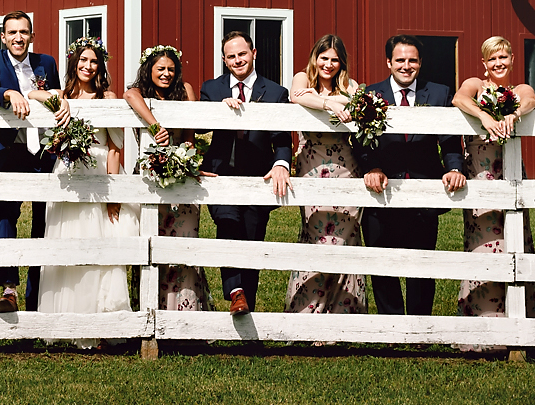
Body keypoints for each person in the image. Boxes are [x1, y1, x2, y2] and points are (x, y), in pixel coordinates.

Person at [37, 38, 136, 340]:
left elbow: (116, 147)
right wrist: (59, 101)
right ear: (73, 62)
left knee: (96, 244)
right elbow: (32, 93)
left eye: (93, 61)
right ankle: (62, 325)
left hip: (98, 173)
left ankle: (97, 325)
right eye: (83, 60)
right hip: (67, 173)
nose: (87, 66)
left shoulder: (108, 97)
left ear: (100, 66)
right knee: (66, 239)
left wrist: (114, 195)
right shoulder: (62, 94)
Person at [360, 34, 464, 317]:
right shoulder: (371, 94)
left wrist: (454, 168)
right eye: (400, 60)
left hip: (423, 192)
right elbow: (362, 143)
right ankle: (391, 326)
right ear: (389, 62)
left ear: (421, 63)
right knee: (382, 264)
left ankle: (419, 326)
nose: (407, 66)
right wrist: (373, 167)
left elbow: (450, 140)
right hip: (381, 192)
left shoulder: (440, 93)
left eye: (412, 60)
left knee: (422, 264)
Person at [0, 11, 66, 312]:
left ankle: (37, 293)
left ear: (32, 35)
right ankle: (9, 289)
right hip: (8, 149)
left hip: (42, 152)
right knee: (6, 215)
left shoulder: (46, 63)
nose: (18, 38)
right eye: (12, 33)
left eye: (23, 32)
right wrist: (10, 92)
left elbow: (54, 96)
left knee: (43, 220)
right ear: (3, 37)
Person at [201, 30, 292, 316]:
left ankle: (244, 307)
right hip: (221, 177)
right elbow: (198, 126)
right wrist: (219, 110)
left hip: (258, 179)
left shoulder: (276, 92)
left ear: (254, 54)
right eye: (231, 56)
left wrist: (281, 164)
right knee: (227, 224)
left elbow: (282, 138)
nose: (238, 60)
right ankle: (235, 292)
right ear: (225, 61)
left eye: (242, 54)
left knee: (252, 241)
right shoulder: (212, 89)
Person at [451, 37, 535, 322]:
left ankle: (517, 319)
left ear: (512, 59)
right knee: (483, 239)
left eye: (503, 57)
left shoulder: (519, 89)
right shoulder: (476, 84)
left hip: (510, 170)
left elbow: (531, 100)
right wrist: (485, 117)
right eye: (492, 59)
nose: (498, 63)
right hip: (480, 171)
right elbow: (459, 98)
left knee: (514, 238)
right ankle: (482, 324)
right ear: (484, 64)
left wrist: (514, 114)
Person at [280, 35, 367, 316]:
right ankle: (308, 314)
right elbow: (297, 95)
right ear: (315, 58)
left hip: (346, 168)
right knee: (317, 234)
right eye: (324, 57)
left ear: (342, 62)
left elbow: (360, 102)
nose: (328, 64)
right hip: (312, 165)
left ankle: (343, 316)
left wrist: (337, 99)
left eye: (335, 59)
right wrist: (330, 104)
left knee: (344, 236)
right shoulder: (302, 78)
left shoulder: (349, 85)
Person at [123, 44, 209, 311]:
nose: (166, 74)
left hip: (182, 177)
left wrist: (193, 165)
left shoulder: (186, 92)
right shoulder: (139, 92)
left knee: (183, 244)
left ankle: (186, 315)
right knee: (152, 243)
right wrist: (155, 125)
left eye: (171, 69)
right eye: (160, 68)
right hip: (150, 181)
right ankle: (152, 310)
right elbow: (129, 95)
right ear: (149, 70)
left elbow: (190, 137)